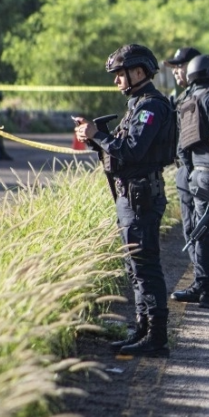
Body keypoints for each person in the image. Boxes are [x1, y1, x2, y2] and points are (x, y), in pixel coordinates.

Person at [74, 44, 174, 358]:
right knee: (135, 267)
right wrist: (94, 137)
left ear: (139, 72)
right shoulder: (137, 104)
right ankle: (143, 329)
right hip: (130, 194)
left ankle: (156, 337)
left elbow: (131, 149)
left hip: (141, 197)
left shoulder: (151, 107)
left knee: (146, 268)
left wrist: (98, 135)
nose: (117, 80)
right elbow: (117, 148)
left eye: (121, 73)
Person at [169, 54, 209, 308]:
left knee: (200, 228)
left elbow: (182, 143)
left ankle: (202, 284)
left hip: (193, 172)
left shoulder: (186, 99)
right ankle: (208, 289)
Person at [163, 47, 201, 282]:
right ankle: (200, 277)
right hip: (184, 170)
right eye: (175, 67)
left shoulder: (201, 96)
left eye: (181, 66)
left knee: (200, 228)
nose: (177, 71)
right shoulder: (183, 98)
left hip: (198, 170)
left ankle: (203, 282)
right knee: (190, 228)